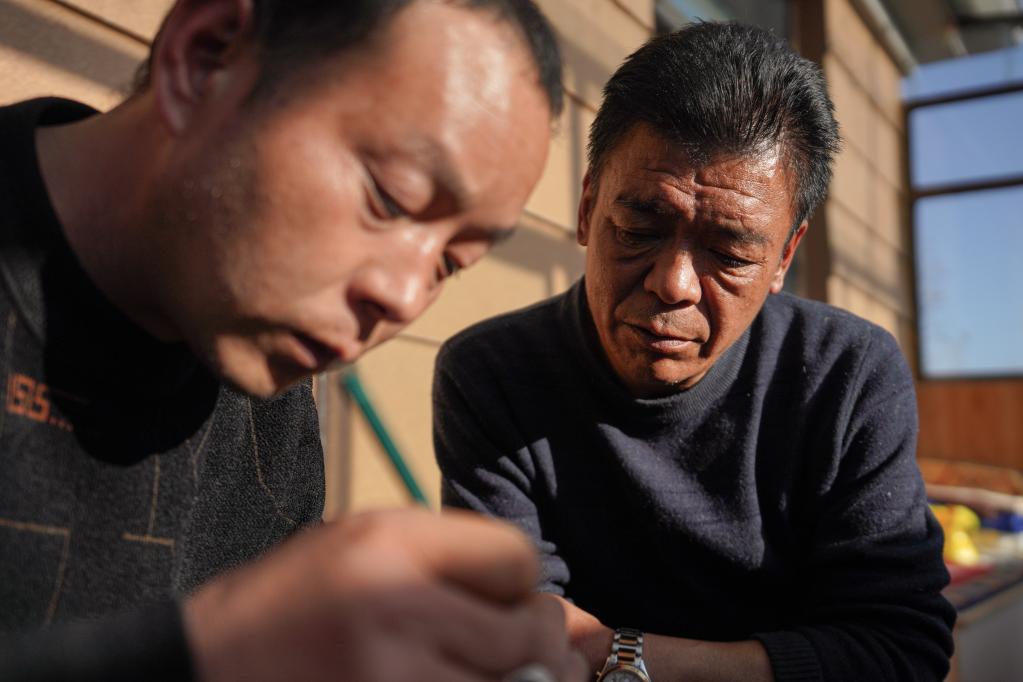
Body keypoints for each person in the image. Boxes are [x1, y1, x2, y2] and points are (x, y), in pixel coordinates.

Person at [0, 1, 588, 680]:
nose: (405, 298)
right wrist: (209, 651)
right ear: (205, 59)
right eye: (390, 199)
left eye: (450, 264)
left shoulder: (266, 392)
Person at [434, 22, 956, 682]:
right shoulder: (493, 374)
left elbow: (899, 648)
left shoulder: (845, 375)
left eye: (730, 254)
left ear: (783, 258)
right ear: (587, 206)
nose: (673, 283)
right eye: (638, 229)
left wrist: (622, 657)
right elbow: (515, 626)